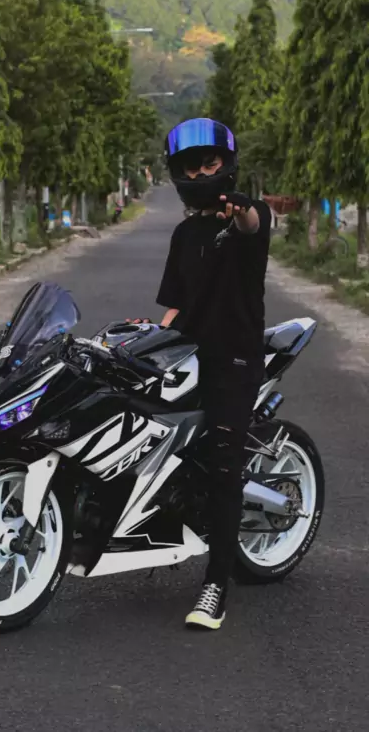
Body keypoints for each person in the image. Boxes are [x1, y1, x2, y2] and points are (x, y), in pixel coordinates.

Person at [130, 117, 271, 630]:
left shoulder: (252, 216)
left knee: (224, 464)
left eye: (210, 163)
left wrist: (240, 210)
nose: (202, 173)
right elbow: (174, 305)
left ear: (227, 165)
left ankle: (215, 585)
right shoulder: (184, 233)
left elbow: (250, 225)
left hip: (234, 357)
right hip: (186, 354)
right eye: (192, 167)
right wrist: (144, 343)